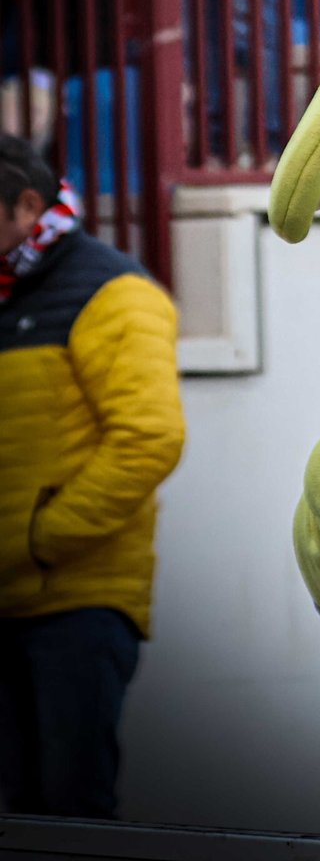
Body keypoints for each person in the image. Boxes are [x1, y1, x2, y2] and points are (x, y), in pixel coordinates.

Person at [0, 134, 185, 817]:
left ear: (25, 205)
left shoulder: (111, 291)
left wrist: (36, 541)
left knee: (70, 808)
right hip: (18, 594)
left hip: (74, 603)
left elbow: (149, 440)